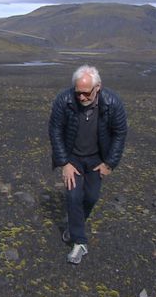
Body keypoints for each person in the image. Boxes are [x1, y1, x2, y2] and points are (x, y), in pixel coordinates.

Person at [48, 65, 127, 264]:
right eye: (78, 93)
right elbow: (55, 130)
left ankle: (74, 227)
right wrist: (64, 162)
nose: (82, 97)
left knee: (91, 197)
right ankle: (80, 243)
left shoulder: (113, 103)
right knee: (74, 197)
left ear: (97, 88)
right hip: (72, 158)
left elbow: (120, 133)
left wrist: (109, 163)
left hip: (96, 160)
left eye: (86, 93)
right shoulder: (64, 100)